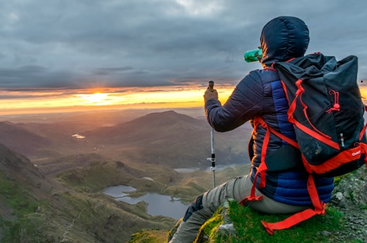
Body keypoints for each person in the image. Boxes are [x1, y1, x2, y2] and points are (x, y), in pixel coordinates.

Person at [168, 16, 334, 243]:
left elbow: (220, 121)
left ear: (266, 44)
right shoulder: (321, 77)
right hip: (322, 190)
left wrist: (210, 100)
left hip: (276, 194)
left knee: (198, 207)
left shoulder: (261, 81)